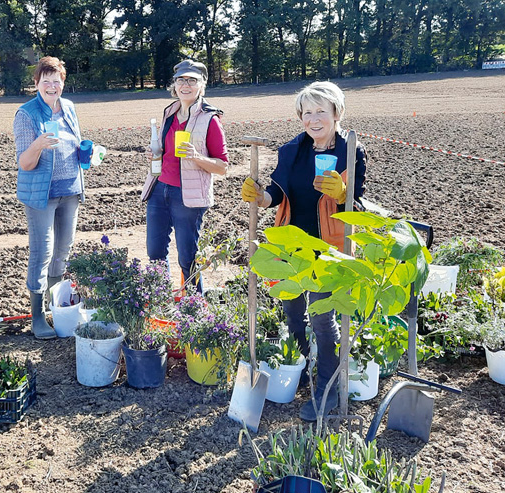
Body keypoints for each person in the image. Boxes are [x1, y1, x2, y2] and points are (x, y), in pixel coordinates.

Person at [241, 81, 366, 421]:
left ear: (336, 114)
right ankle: (303, 369)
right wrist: (259, 196)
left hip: (330, 247)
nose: (313, 119)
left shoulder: (350, 151)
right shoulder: (291, 151)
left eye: (321, 111)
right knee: (293, 314)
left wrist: (343, 192)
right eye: (306, 112)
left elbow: (356, 204)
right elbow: (276, 196)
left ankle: (326, 385)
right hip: (292, 247)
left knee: (324, 320)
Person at [142, 59, 229, 295]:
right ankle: (160, 300)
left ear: (202, 85)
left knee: (187, 256)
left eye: (192, 80)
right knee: (155, 252)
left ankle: (193, 308)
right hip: (160, 189)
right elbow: (164, 150)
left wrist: (197, 156)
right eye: (181, 79)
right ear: (175, 84)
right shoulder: (169, 112)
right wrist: (156, 151)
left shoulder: (210, 119)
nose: (186, 84)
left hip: (188, 196)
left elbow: (222, 166)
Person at [14, 56, 85, 339]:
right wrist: (38, 145)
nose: (52, 87)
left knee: (62, 253)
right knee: (41, 253)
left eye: (57, 81)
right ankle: (37, 317)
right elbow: (24, 163)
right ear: (37, 84)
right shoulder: (27, 114)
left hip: (70, 191)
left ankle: (57, 310)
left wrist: (86, 152)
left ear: (63, 83)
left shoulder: (68, 108)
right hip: (42, 196)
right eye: (46, 82)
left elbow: (75, 145)